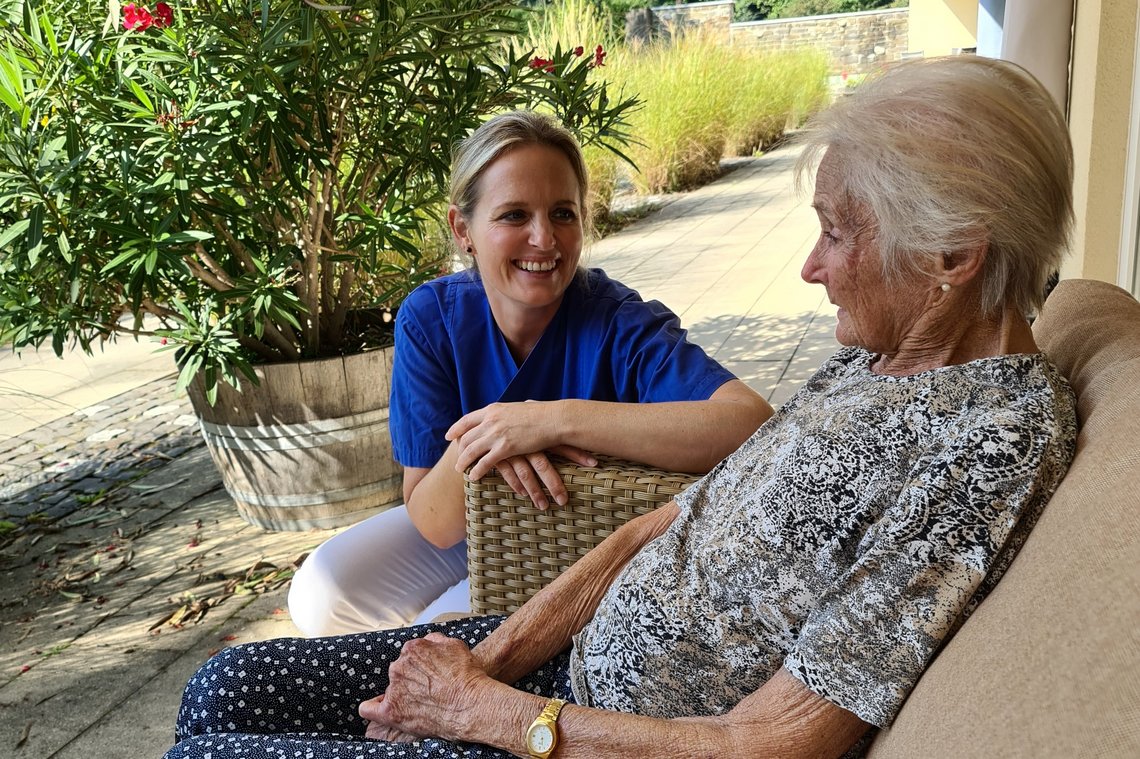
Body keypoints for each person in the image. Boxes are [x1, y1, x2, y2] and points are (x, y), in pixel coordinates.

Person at [166, 56, 1079, 759]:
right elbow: (657, 528)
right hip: (560, 669)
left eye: (836, 232)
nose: (810, 267)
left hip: (599, 735)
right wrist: (482, 666)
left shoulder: (987, 440)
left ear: (955, 254)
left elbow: (774, 742)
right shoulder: (874, 361)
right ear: (464, 229)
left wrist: (492, 712)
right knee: (222, 685)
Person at [287, 111, 773, 635]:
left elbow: (749, 421)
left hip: (576, 536)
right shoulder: (432, 319)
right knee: (321, 593)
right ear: (462, 230)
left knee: (440, 635)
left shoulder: (617, 320)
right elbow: (434, 520)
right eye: (514, 215)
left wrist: (553, 420)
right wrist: (497, 436)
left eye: (563, 213)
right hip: (467, 524)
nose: (545, 239)